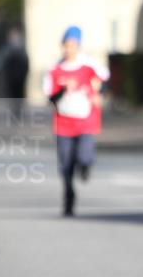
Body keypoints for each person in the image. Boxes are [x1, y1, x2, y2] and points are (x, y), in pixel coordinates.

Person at [43, 26, 109, 216]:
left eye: (72, 45)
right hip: (63, 123)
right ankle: (69, 196)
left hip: (85, 121)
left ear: (78, 46)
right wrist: (64, 90)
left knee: (84, 156)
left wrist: (99, 94)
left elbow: (104, 80)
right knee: (65, 165)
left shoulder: (88, 65)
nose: (68, 49)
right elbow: (50, 97)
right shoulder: (55, 70)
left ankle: (86, 166)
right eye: (66, 45)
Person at [0, 27, 29, 117]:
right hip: (11, 77)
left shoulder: (21, 49)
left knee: (18, 94)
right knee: (12, 94)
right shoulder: (7, 49)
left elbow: (26, 62)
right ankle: (15, 111)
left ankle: (17, 111)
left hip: (19, 77)